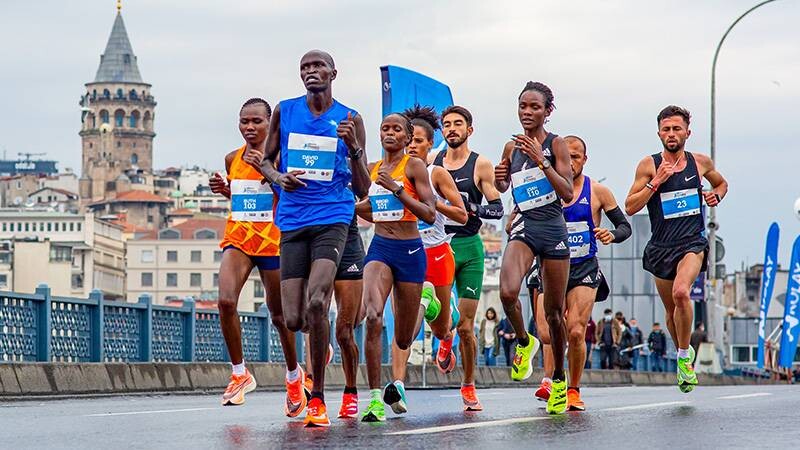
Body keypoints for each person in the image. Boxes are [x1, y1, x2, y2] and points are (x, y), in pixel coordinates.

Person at [260, 50, 370, 427]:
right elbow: (265, 160)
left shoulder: (350, 118)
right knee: (294, 318)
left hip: (333, 217)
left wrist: (354, 148)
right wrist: (278, 178)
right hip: (293, 219)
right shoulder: (285, 110)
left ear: (333, 73)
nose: (311, 72)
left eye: (318, 66)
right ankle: (320, 337)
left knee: (318, 301)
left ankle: (318, 398)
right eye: (305, 67)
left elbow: (362, 188)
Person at [522, 134, 632, 410]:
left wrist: (611, 234)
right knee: (546, 332)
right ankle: (552, 378)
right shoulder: (544, 188)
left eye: (576, 157)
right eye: (566, 156)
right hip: (549, 266)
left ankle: (572, 389)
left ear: (585, 160)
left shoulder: (598, 192)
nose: (571, 162)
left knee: (575, 330)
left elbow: (625, 227)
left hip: (583, 268)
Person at [625, 105, 728, 393]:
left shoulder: (700, 162)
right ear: (659, 133)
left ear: (687, 133)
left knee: (682, 292)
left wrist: (716, 195)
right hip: (661, 246)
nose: (671, 134)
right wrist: (656, 182)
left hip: (692, 243)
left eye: (677, 129)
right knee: (671, 313)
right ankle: (684, 350)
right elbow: (630, 207)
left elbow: (721, 184)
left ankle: (683, 358)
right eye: (666, 129)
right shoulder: (648, 165)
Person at [210, 98, 304, 414]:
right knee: (225, 301)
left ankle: (293, 375)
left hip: (273, 242)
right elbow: (244, 195)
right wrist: (224, 189)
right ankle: (240, 373)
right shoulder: (232, 158)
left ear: (270, 123)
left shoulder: (280, 157)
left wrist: (263, 168)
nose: (249, 127)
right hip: (238, 238)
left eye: (256, 121)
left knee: (279, 316)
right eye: (244, 121)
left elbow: (291, 194)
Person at [494, 81, 574, 414]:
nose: (527, 112)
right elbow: (503, 186)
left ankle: (559, 380)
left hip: (552, 228)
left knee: (554, 313)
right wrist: (500, 177)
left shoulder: (557, 144)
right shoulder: (511, 147)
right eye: (522, 106)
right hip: (525, 226)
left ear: (547, 111)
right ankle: (524, 342)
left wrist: (542, 161)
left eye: (535, 107)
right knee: (507, 293)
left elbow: (567, 192)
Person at [382, 105, 467, 416]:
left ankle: (446, 323)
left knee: (441, 327)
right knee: (402, 323)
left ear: (431, 144)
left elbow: (462, 215)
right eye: (410, 140)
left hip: (437, 253)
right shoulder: (393, 173)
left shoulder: (435, 174)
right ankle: (398, 385)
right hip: (405, 251)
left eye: (419, 141)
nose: (412, 146)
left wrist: (431, 202)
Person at [356, 113, 436, 422]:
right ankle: (375, 398)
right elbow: (370, 208)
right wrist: (350, 207)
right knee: (373, 315)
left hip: (410, 251)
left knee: (403, 339)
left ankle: (425, 301)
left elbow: (429, 213)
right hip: (380, 248)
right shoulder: (372, 169)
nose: (389, 133)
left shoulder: (414, 167)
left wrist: (397, 190)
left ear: (407, 137)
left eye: (396, 129)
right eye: (385, 128)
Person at [433, 105, 504, 411]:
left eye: (457, 124)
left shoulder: (480, 165)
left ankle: (469, 384)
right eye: (447, 124)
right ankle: (444, 338)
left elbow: (497, 209)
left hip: (470, 247)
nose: (452, 129)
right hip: (440, 245)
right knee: (439, 315)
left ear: (469, 130)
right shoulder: (432, 163)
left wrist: (471, 209)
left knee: (466, 326)